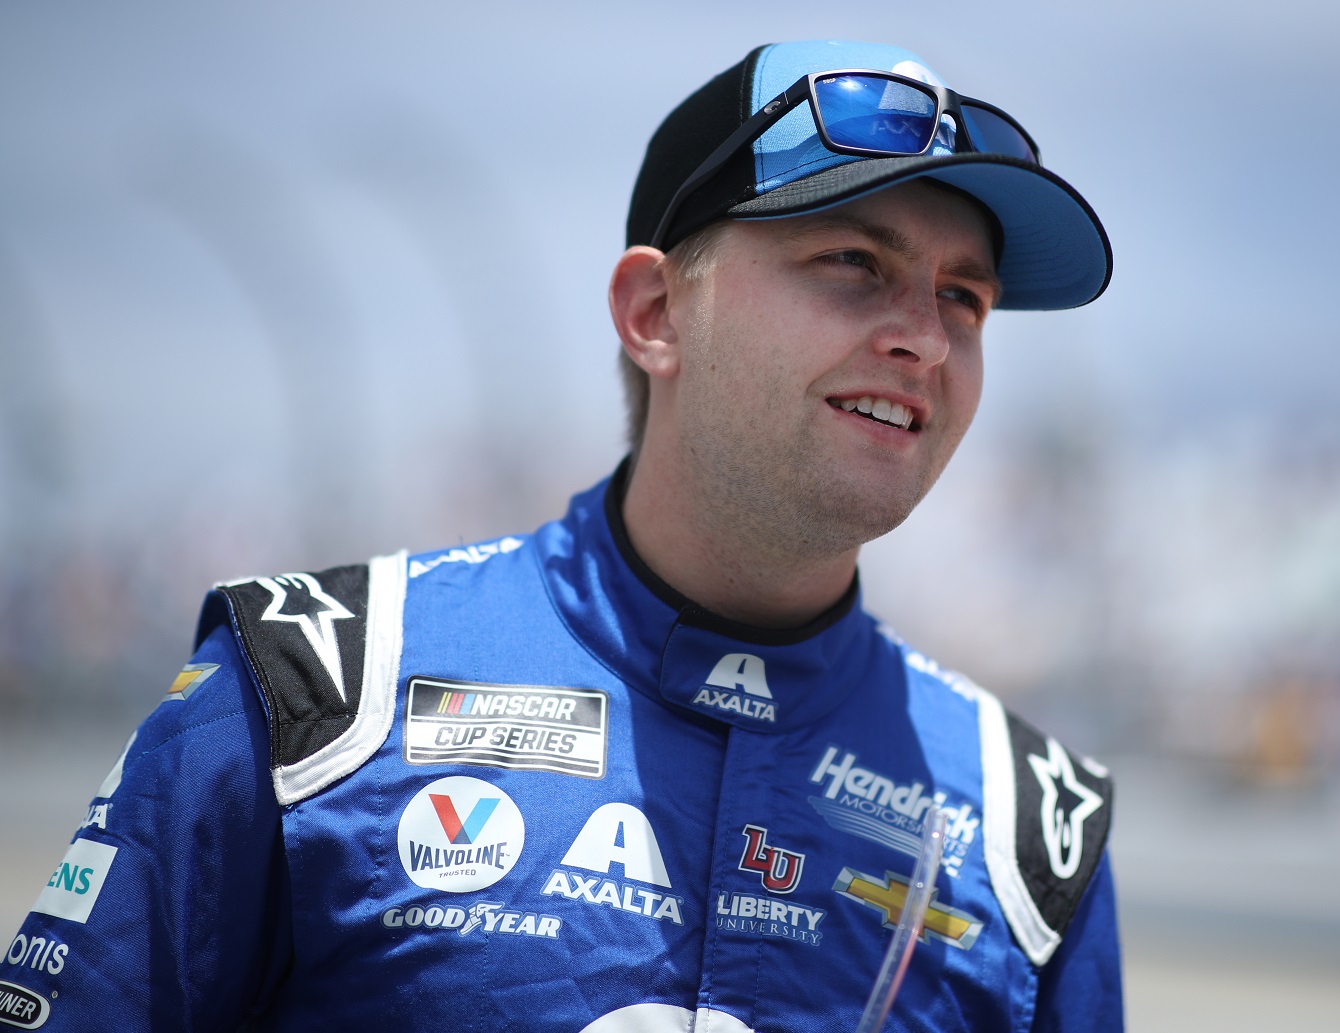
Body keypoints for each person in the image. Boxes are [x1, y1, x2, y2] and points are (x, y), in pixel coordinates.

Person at [1, 40, 1119, 1032]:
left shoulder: (1032, 831)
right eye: (854, 265)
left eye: (965, 298)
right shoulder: (320, 688)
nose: (925, 336)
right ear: (655, 314)